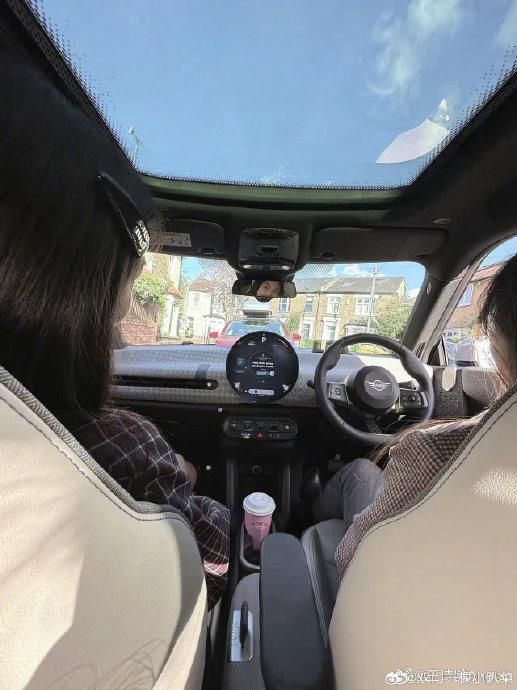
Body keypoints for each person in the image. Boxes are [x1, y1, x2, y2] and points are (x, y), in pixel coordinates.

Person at [0, 56, 229, 609]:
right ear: (69, 299)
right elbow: (214, 565)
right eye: (122, 294)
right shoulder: (126, 447)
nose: (122, 324)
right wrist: (183, 478)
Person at [313, 253, 517, 582]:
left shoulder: (432, 447)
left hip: (377, 598)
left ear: (497, 344)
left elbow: (355, 558)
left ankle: (301, 520)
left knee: (362, 471)